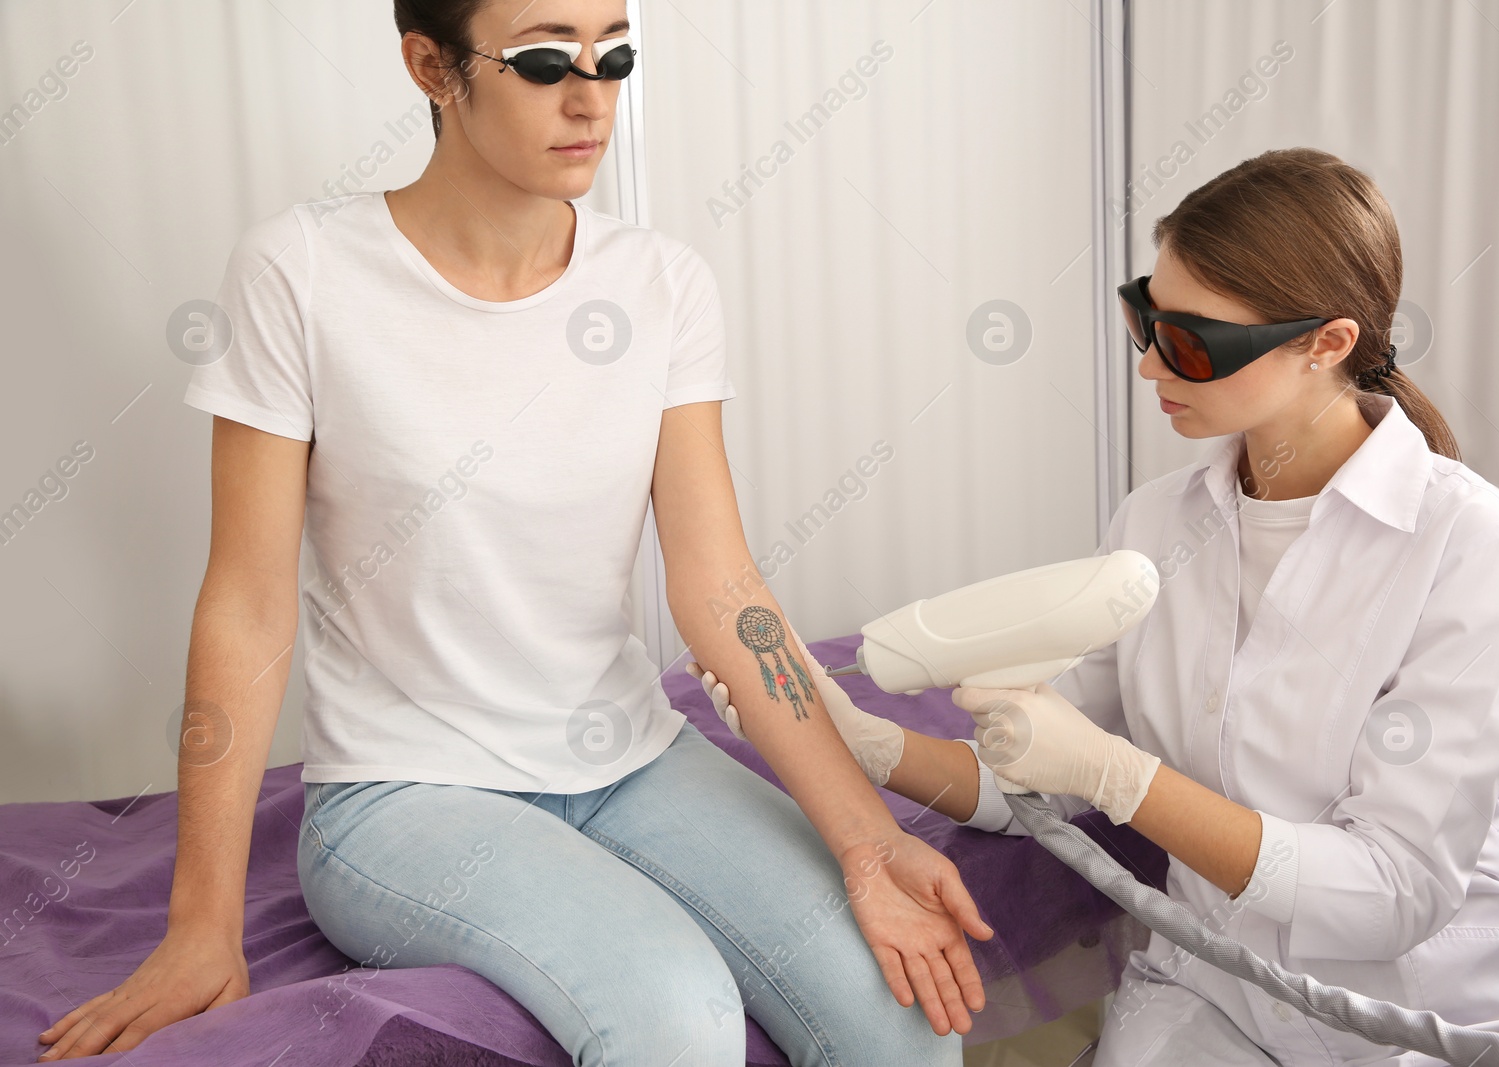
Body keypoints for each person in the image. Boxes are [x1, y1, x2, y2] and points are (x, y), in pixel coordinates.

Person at [34, 1, 993, 1062]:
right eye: (545, 62)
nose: (591, 99)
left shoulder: (661, 284)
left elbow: (722, 586)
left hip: (632, 758)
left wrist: (865, 842)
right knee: (678, 1014)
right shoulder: (300, 271)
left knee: (899, 1008)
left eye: (613, 57)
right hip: (405, 793)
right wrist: (200, 925)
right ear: (430, 66)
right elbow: (248, 602)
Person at [692, 147, 1499, 1064]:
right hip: (1211, 998)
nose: (1151, 363)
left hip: (1433, 1020)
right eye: (1146, 317)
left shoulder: (1479, 556)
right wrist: (867, 743)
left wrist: (1123, 778)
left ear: (1328, 342)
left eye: (1195, 342)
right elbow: (1030, 773)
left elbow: (1390, 893)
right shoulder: (1159, 525)